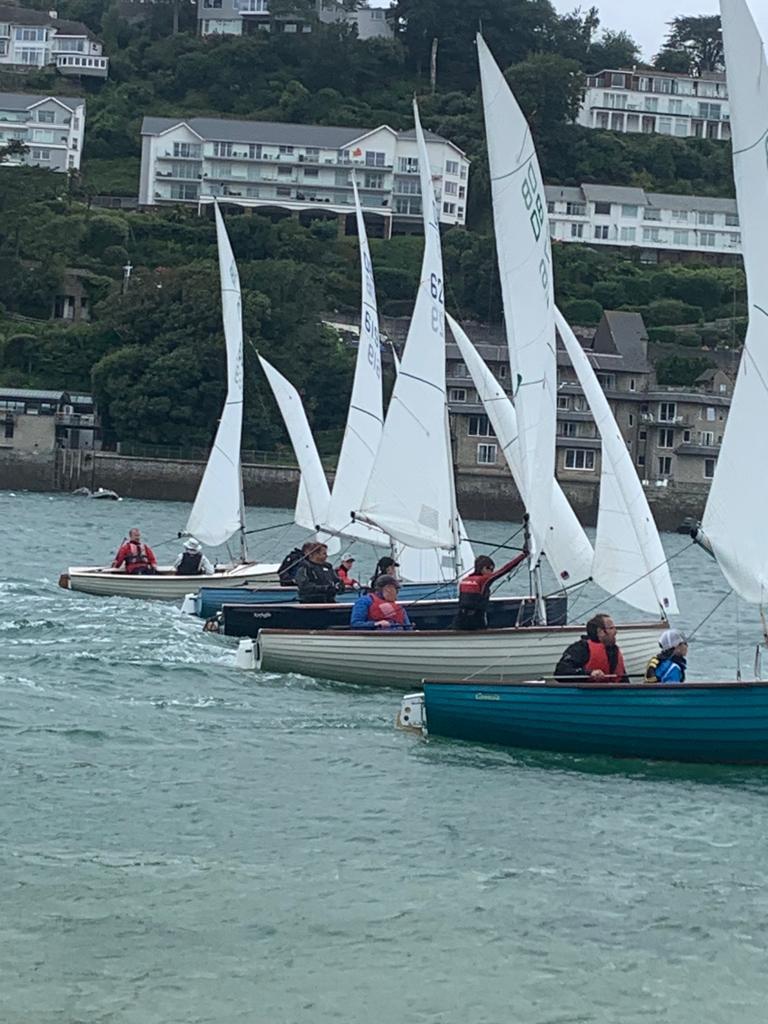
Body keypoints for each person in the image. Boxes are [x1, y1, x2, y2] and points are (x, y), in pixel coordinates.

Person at [453, 550, 528, 631]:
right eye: (491, 569)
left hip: (460, 618)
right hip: (475, 619)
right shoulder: (483, 579)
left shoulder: (464, 580)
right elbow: (505, 569)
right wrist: (523, 556)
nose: (491, 572)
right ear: (484, 568)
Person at [554, 613, 629, 682]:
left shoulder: (614, 650)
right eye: (612, 628)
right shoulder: (581, 648)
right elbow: (560, 672)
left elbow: (624, 679)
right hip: (586, 693)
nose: (616, 631)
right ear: (601, 631)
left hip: (612, 693)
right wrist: (589, 673)